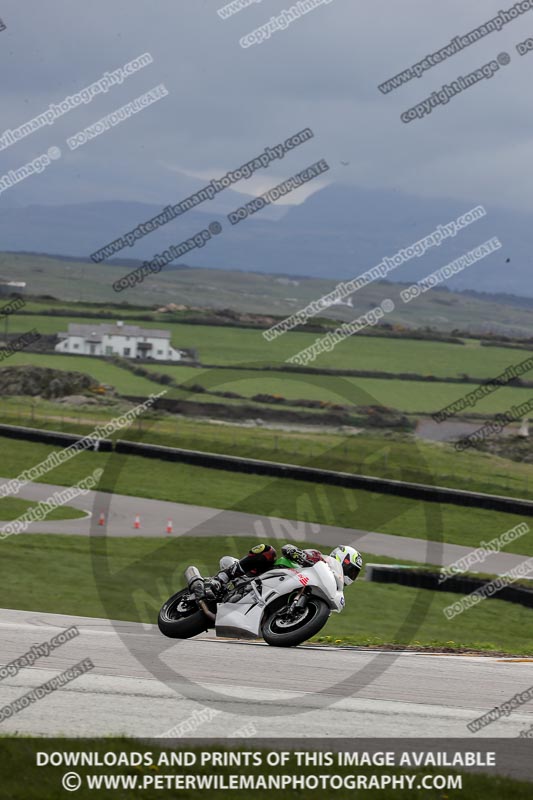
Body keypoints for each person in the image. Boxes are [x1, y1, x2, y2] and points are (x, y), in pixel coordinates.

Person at [203, 543, 363, 599]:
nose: (351, 575)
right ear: (342, 559)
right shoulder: (318, 557)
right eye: (351, 570)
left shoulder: (330, 591)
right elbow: (287, 548)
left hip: (279, 592)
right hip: (271, 574)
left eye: (354, 574)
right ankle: (221, 578)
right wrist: (300, 555)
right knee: (267, 551)